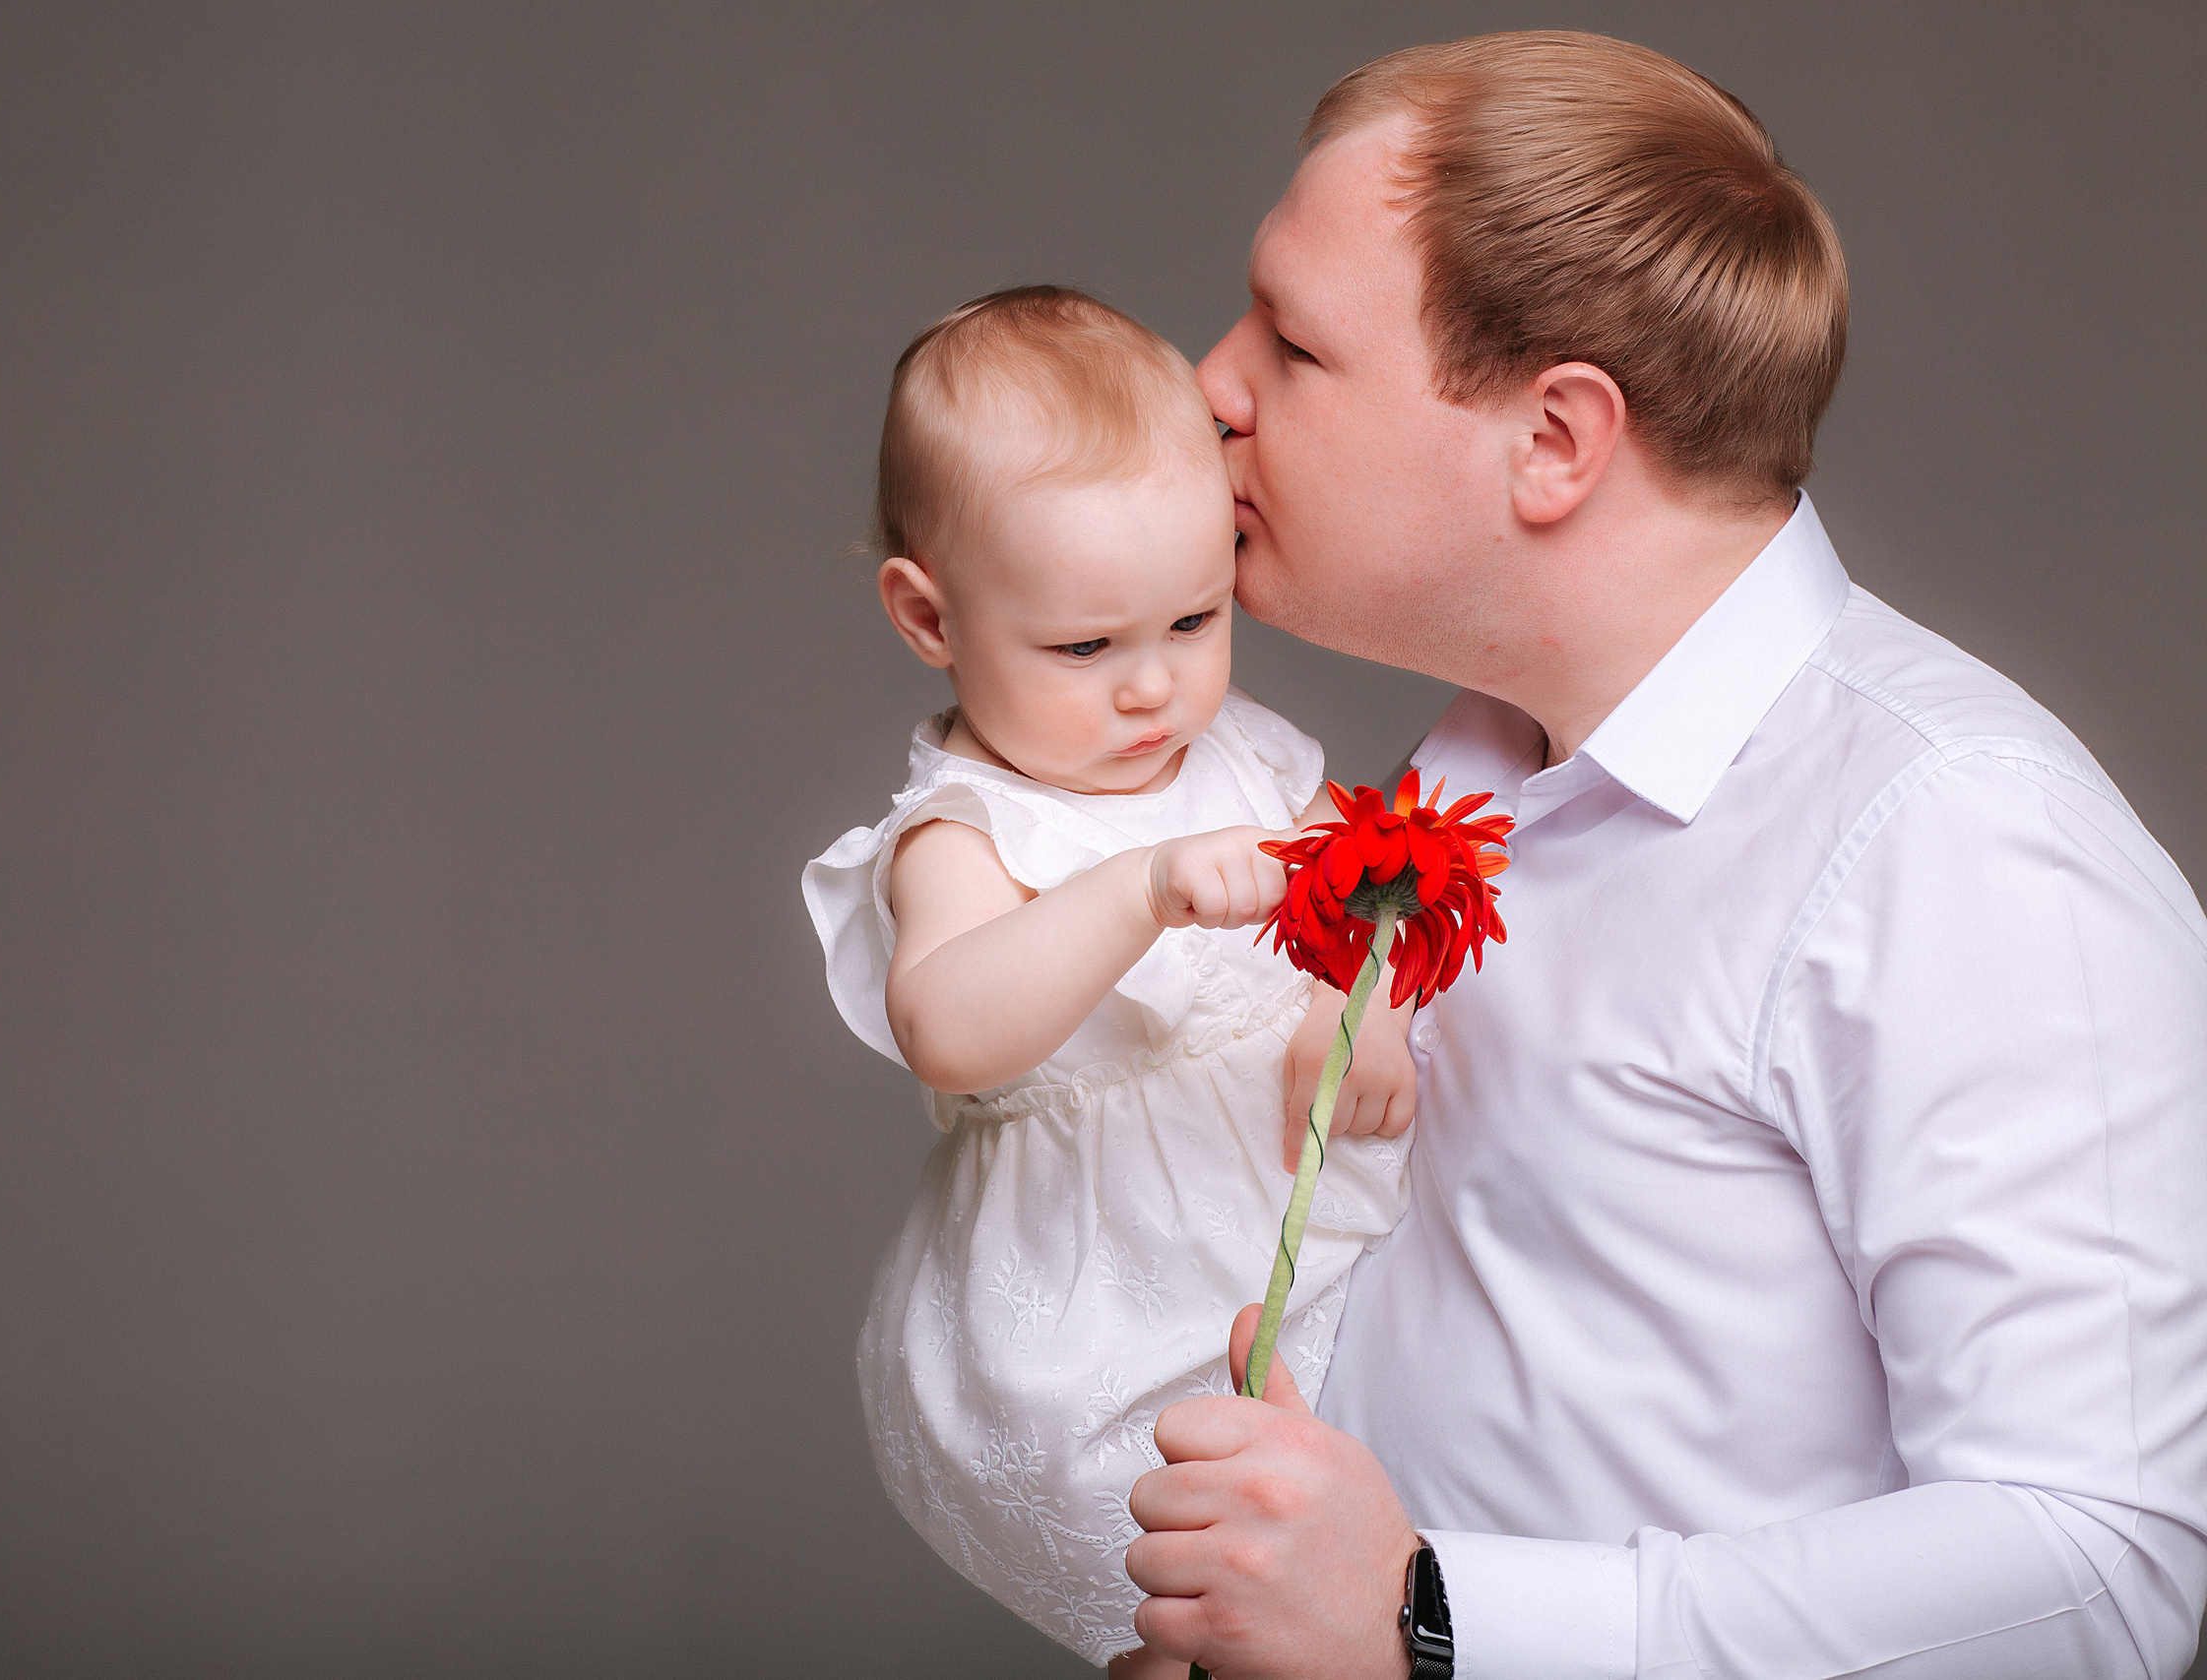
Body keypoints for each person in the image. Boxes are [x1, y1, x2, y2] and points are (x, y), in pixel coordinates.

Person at [1120, 31, 2207, 1680]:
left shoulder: (1960, 848)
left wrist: (1425, 1618)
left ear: (1556, 440)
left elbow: (2106, 1566)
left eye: (1295, 342)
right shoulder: (1466, 772)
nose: (1212, 382)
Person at [801, 286, 1426, 1665]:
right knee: (1190, 1612)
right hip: (1108, 1316)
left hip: (1292, 1229)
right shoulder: (966, 831)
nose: (1153, 691)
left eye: (1194, 622)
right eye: (1086, 648)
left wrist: (1348, 1006)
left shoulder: (1243, 752)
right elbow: (948, 1027)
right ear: (929, 616)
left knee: (1326, 1591)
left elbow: (1354, 891)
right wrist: (1133, 890)